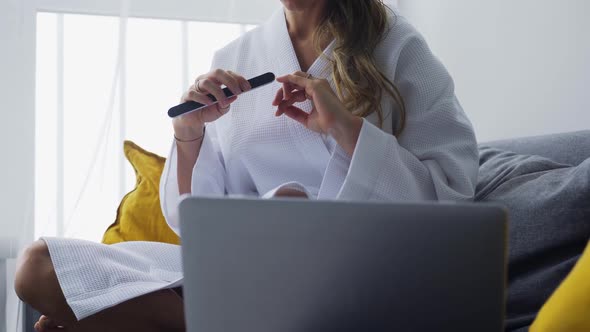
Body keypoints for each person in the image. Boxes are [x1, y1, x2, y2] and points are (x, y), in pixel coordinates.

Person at [14, 0, 479, 331]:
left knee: (85, 310)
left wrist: (346, 128)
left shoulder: (398, 48)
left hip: (348, 271)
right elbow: (197, 218)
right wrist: (191, 131)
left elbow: (451, 195)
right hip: (240, 267)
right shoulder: (237, 58)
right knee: (38, 267)